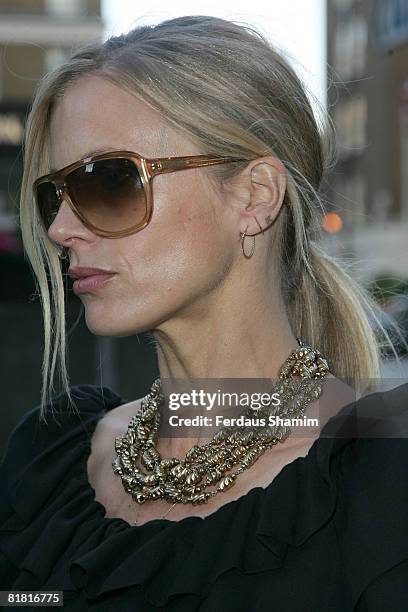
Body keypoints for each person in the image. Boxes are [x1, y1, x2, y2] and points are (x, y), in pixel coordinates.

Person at [1, 15, 407, 611]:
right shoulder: (49, 462)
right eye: (53, 195)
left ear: (254, 195)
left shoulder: (381, 486)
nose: (62, 229)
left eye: (108, 181)